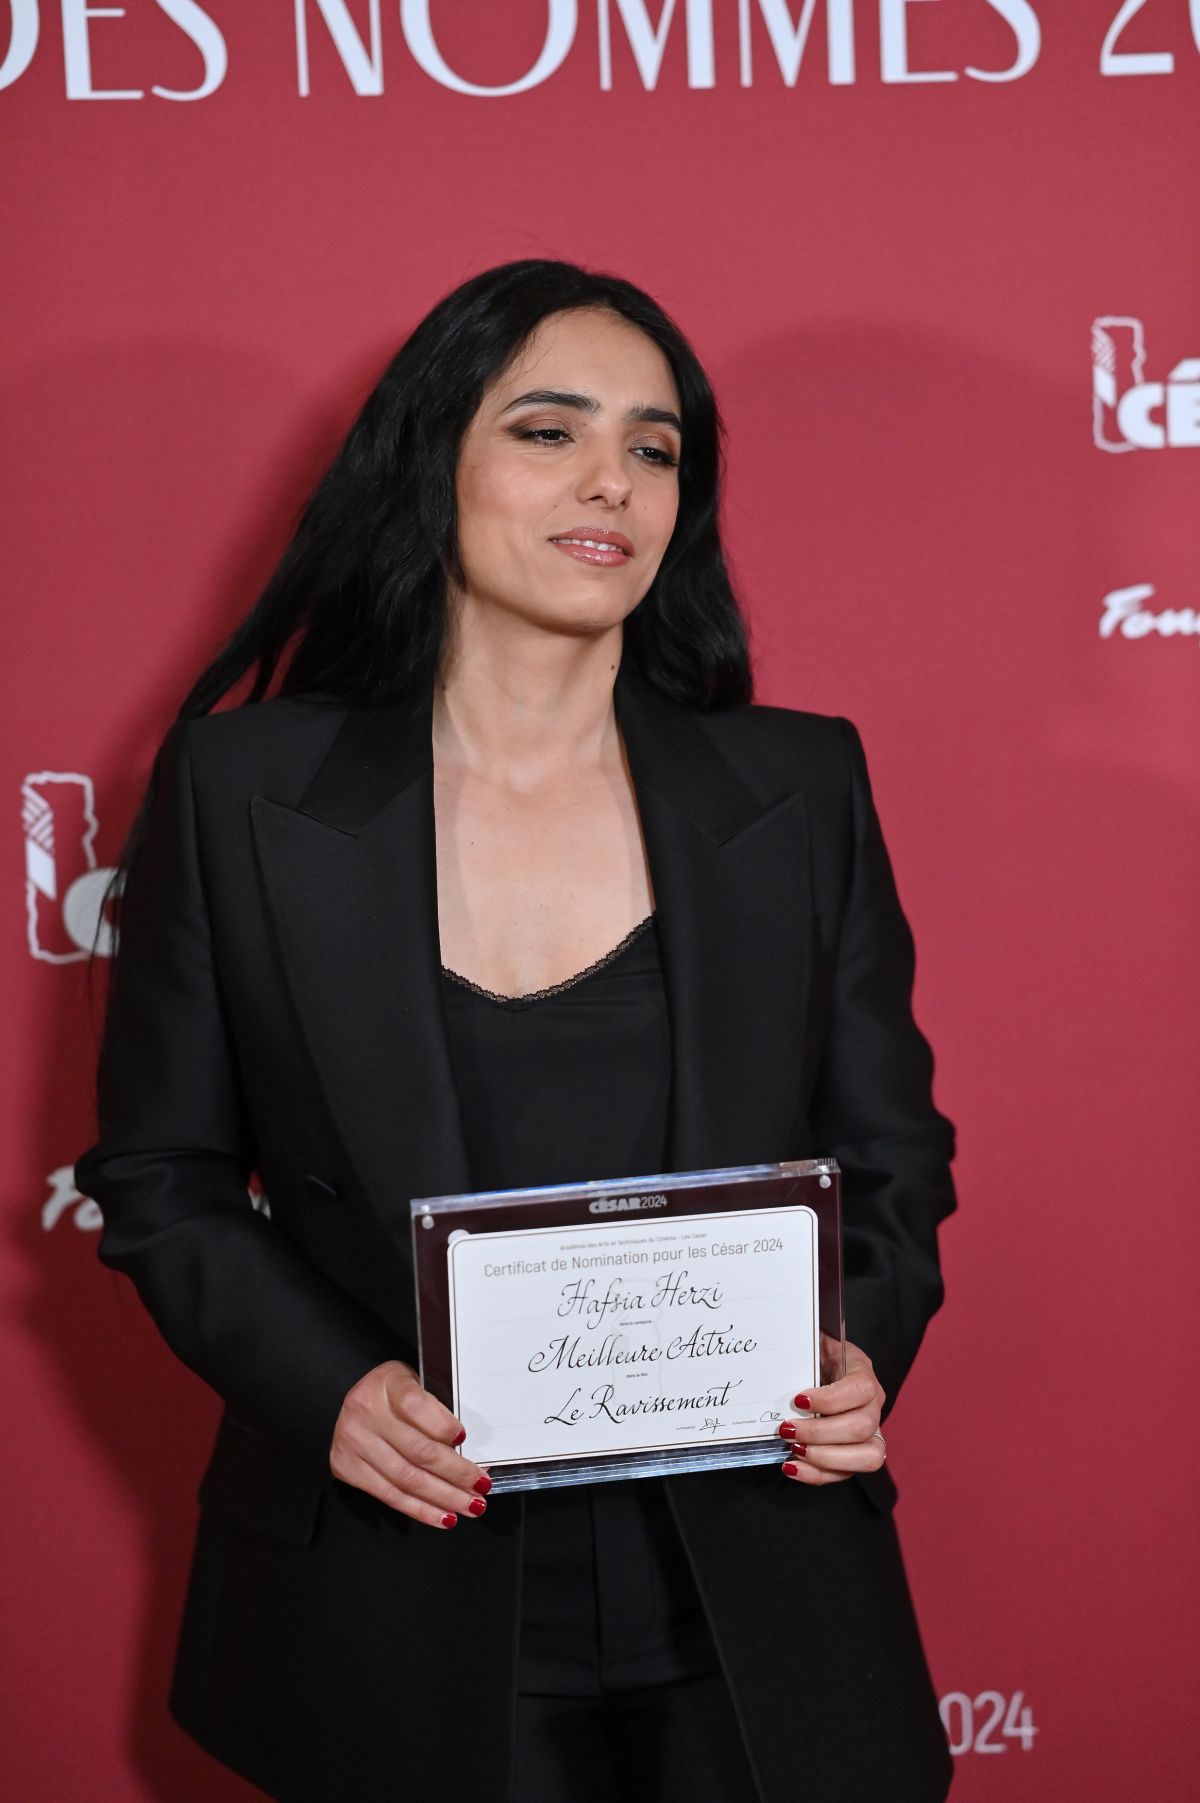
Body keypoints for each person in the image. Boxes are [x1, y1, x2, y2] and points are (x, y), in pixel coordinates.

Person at [75, 259, 957, 1803]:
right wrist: (332, 1392)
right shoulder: (242, 794)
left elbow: (890, 1155)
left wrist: (859, 1350)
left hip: (753, 1580)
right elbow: (162, 1174)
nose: (611, 476)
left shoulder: (798, 788)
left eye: (656, 443)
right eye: (548, 430)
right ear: (436, 461)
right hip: (394, 1580)